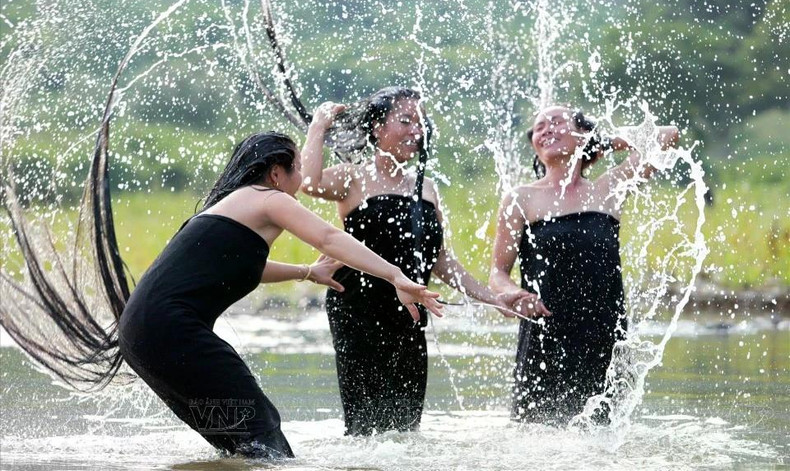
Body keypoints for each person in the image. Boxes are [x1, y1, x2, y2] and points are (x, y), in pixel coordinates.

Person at [1, 131, 442, 459]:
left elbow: (246, 268)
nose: (304, 176)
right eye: (298, 169)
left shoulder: (238, 206)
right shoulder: (266, 198)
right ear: (276, 173)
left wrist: (307, 272)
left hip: (145, 335)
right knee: (264, 434)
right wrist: (395, 275)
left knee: (239, 441)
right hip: (172, 332)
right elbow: (328, 235)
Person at [301, 88, 528, 436]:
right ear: (377, 128)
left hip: (410, 312)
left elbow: (440, 260)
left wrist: (492, 298)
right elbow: (309, 183)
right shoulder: (352, 176)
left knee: (406, 429)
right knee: (365, 429)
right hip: (357, 309)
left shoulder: (427, 188)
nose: (415, 131)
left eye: (420, 123)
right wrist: (318, 127)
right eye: (405, 121)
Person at [488, 105, 679, 425]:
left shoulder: (609, 188)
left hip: (604, 336)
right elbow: (497, 273)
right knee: (537, 440)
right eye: (539, 127)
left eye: (558, 122)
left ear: (582, 134)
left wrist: (599, 143)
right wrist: (513, 294)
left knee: (603, 438)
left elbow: (666, 135)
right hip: (544, 335)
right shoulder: (520, 198)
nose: (547, 129)